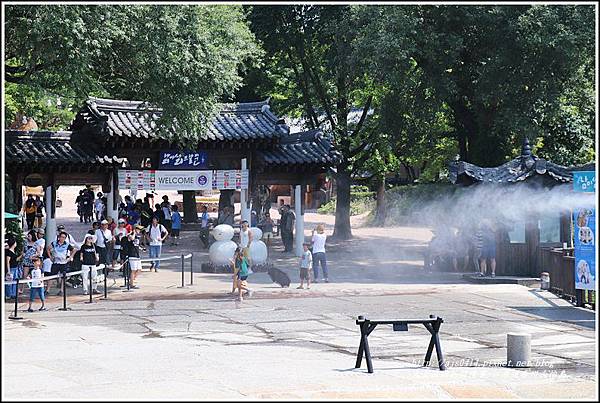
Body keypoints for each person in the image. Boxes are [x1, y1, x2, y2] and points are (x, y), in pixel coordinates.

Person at [46, 231, 75, 295]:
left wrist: (70, 257)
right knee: (51, 276)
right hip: (56, 262)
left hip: (63, 262)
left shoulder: (67, 244)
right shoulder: (54, 243)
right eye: (61, 237)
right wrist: (50, 256)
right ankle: (47, 290)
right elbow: (48, 248)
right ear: (59, 237)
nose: (62, 239)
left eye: (64, 237)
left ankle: (61, 290)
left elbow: (73, 250)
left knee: (63, 277)